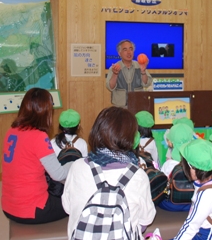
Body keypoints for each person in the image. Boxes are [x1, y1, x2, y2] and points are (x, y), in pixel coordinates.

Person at [62, 106, 156, 239]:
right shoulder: (138, 175)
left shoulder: (77, 167)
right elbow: (146, 220)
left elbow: (67, 207)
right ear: (131, 137)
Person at [2, 88, 71, 224]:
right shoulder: (38, 136)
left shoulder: (12, 131)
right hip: (32, 209)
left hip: (8, 206)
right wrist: (77, 164)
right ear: (46, 112)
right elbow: (58, 175)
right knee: (77, 199)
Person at [174, 139, 212, 240]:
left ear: (192, 168)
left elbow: (191, 227)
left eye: (184, 164)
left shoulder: (206, 195)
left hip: (209, 234)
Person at [106, 40, 153, 108]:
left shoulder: (139, 65)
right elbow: (110, 87)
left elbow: (146, 84)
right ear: (119, 53)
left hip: (138, 106)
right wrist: (115, 74)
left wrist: (143, 71)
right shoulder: (115, 68)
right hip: (120, 108)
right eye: (125, 49)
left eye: (131, 49)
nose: (129, 52)